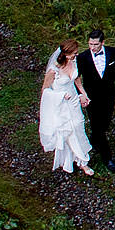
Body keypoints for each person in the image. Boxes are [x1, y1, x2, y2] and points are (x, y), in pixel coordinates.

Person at [38, 39, 93, 175]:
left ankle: (81, 160)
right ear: (66, 54)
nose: (76, 55)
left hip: (74, 101)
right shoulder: (54, 70)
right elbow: (45, 90)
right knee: (69, 131)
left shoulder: (73, 62)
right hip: (61, 105)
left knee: (79, 126)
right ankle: (79, 161)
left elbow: (76, 78)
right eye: (74, 53)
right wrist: (61, 95)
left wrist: (83, 93)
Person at [80, 27, 115, 172]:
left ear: (103, 43)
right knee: (98, 127)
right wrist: (81, 94)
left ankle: (94, 141)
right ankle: (108, 158)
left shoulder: (113, 52)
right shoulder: (82, 57)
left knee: (105, 123)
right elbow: (76, 78)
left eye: (96, 44)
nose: (93, 48)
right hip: (91, 97)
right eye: (90, 44)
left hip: (108, 95)